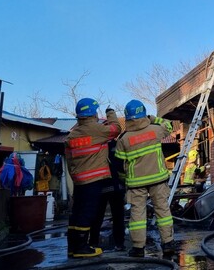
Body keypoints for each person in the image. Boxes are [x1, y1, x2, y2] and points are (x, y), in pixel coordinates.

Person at [115, 100, 176, 258]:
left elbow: (120, 164)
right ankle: (168, 244)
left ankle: (138, 248)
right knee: (163, 211)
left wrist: (125, 179)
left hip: (136, 184)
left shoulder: (123, 139)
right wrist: (153, 118)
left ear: (127, 117)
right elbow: (170, 125)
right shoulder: (156, 130)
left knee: (137, 215)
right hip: (158, 179)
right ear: (143, 113)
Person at [65, 98, 122, 258]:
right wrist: (110, 113)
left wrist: (76, 177)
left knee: (77, 213)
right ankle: (82, 248)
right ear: (92, 112)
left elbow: (69, 161)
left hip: (79, 181)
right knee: (88, 213)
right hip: (94, 180)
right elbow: (116, 129)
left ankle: (73, 247)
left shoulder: (73, 134)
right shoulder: (96, 130)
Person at [88, 139, 126, 252]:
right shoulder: (118, 144)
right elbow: (122, 165)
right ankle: (119, 244)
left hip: (100, 186)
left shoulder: (96, 144)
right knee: (118, 217)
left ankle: (93, 243)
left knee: (97, 217)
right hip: (116, 186)